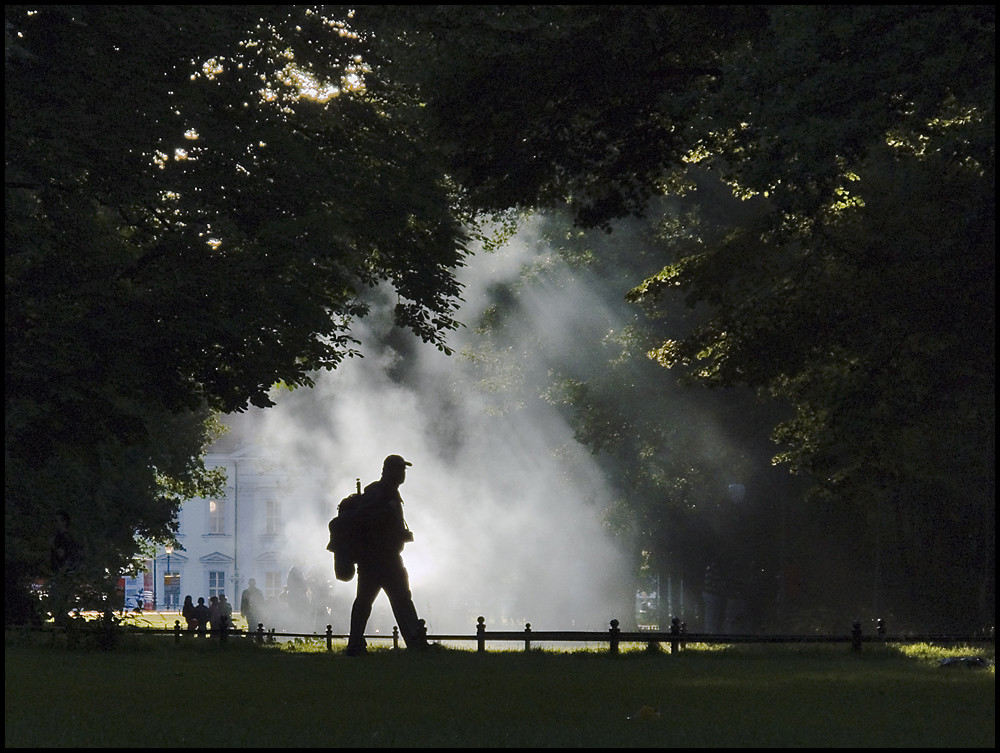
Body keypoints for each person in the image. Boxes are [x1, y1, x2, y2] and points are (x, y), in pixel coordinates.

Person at [346, 454, 430, 655]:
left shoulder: (389, 493)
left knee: (392, 600)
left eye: (403, 470)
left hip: (385, 558)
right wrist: (387, 524)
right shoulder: (377, 493)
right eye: (399, 469)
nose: (402, 474)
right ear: (388, 471)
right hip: (378, 559)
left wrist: (399, 534)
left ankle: (413, 642)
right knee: (373, 602)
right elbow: (363, 519)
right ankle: (356, 645)